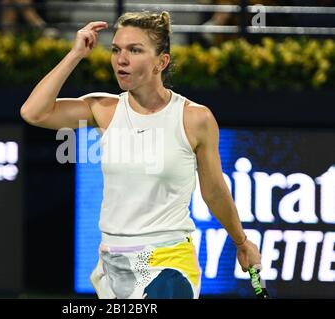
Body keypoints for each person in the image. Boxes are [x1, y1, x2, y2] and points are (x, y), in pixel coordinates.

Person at [20, 11, 262, 299]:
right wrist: (75, 55)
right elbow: (33, 112)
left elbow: (213, 190)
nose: (121, 59)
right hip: (112, 263)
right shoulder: (103, 109)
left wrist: (242, 241)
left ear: (162, 61)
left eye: (135, 50)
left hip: (169, 260)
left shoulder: (195, 118)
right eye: (116, 50)